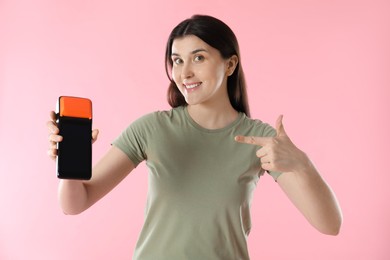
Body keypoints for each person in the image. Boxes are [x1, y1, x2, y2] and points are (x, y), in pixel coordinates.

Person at [47, 14, 342, 260]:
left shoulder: (260, 139)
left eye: (198, 58)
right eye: (176, 61)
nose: (185, 72)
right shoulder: (151, 129)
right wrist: (69, 164)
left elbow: (330, 224)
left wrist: (301, 164)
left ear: (230, 65)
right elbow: (75, 203)